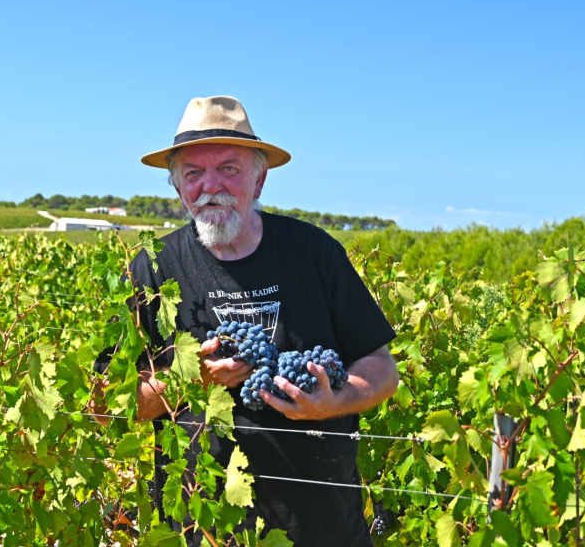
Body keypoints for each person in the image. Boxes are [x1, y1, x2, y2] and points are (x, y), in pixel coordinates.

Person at [108, 95, 399, 546]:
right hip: (202, 527)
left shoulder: (316, 253)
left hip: (325, 528)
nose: (210, 186)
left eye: (229, 168)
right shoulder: (152, 268)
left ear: (259, 180)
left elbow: (381, 366)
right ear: (177, 187)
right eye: (193, 173)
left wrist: (334, 402)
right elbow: (110, 404)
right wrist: (194, 378)